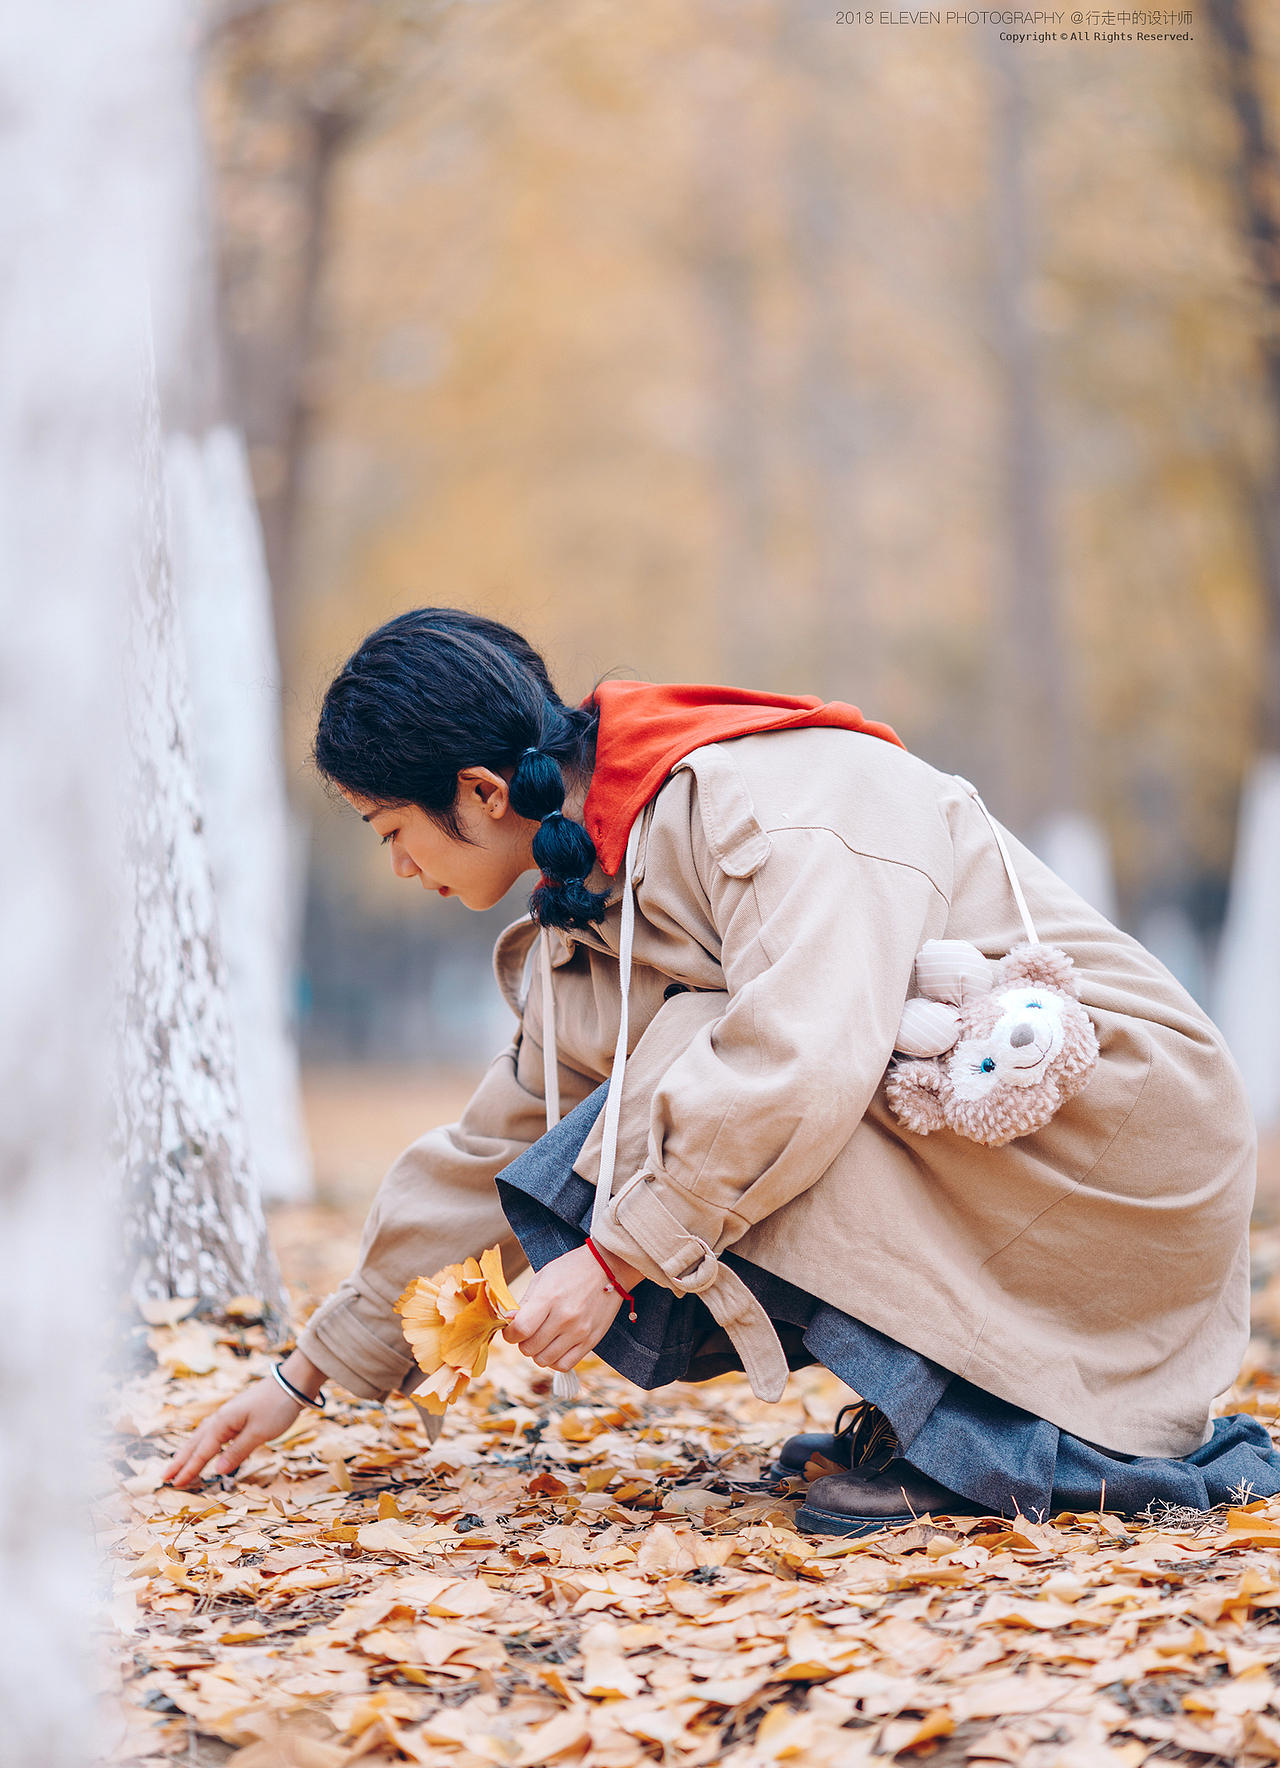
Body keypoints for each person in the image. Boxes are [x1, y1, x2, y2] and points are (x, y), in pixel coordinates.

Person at [164, 607, 1277, 1534]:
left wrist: (612, 1263)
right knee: (661, 1098)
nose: (399, 867)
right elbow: (498, 1144)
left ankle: (1007, 1447)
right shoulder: (590, 901)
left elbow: (801, 1063)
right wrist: (305, 1375)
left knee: (712, 1069)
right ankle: (956, 1419)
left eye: (389, 830)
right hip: (987, 1134)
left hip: (1117, 1134)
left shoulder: (773, 806)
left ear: (482, 792)